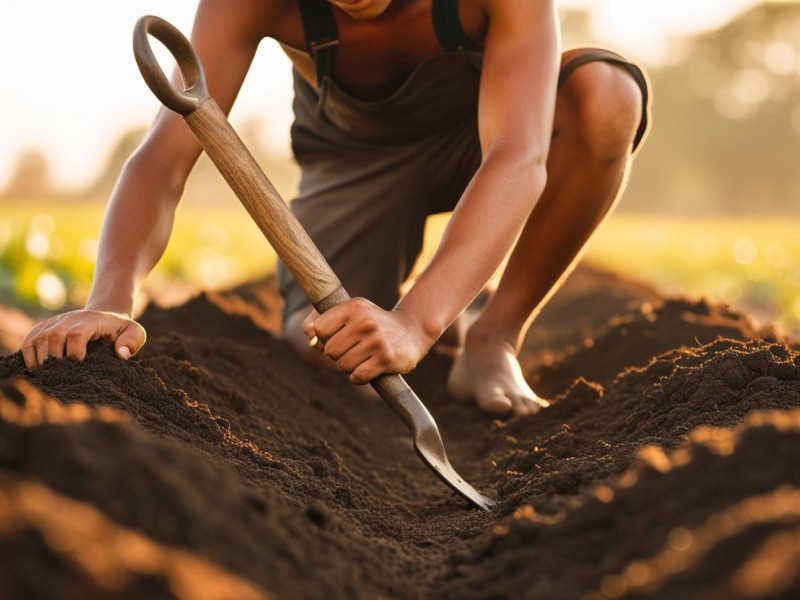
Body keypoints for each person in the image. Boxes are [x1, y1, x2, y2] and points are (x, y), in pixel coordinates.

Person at [21, 0, 650, 417]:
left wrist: (417, 322)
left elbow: (516, 157)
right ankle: (442, 311)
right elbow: (163, 159)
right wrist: (110, 299)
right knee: (317, 344)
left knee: (605, 97)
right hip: (355, 159)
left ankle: (492, 336)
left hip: (490, 135)